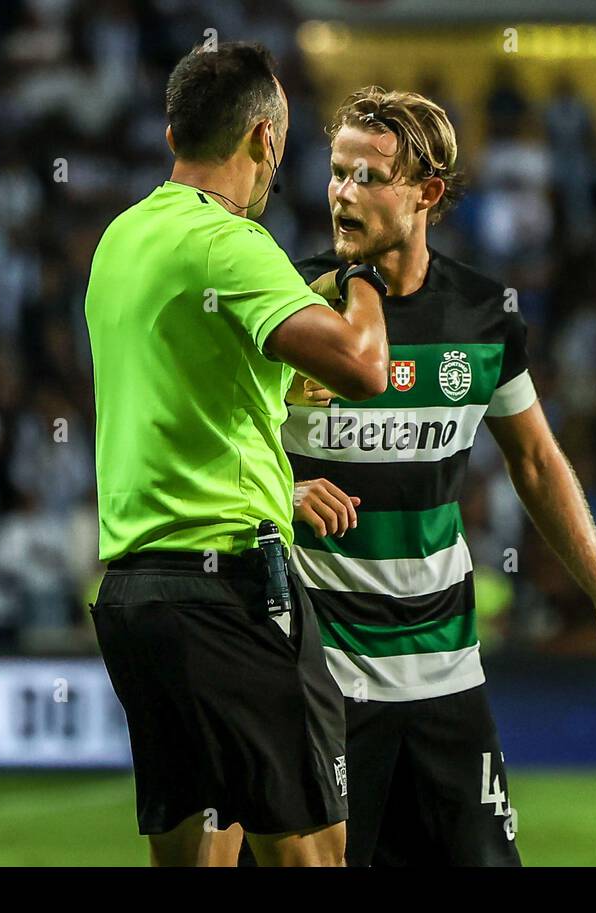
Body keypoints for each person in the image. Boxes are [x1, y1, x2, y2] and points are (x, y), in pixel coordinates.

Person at [283, 87, 596, 865]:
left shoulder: (482, 317)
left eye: (369, 177)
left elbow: (537, 461)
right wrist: (282, 495)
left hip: (447, 671)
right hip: (323, 679)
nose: (344, 194)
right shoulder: (289, 306)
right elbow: (213, 449)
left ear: (428, 192)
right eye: (337, 172)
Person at [83, 43, 390, 867]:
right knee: (314, 856)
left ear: (173, 127)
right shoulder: (229, 243)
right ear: (263, 139)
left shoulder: (121, 241)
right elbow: (361, 367)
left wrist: (276, 467)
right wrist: (363, 267)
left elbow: (173, 397)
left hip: (139, 598)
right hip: (232, 595)